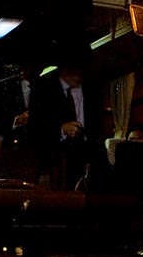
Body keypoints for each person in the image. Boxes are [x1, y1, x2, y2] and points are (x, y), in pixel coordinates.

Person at [29, 57, 103, 190]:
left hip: (88, 160)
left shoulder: (92, 87)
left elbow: (97, 126)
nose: (78, 74)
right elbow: (35, 128)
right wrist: (61, 129)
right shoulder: (42, 89)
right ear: (63, 69)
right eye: (74, 69)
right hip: (56, 164)